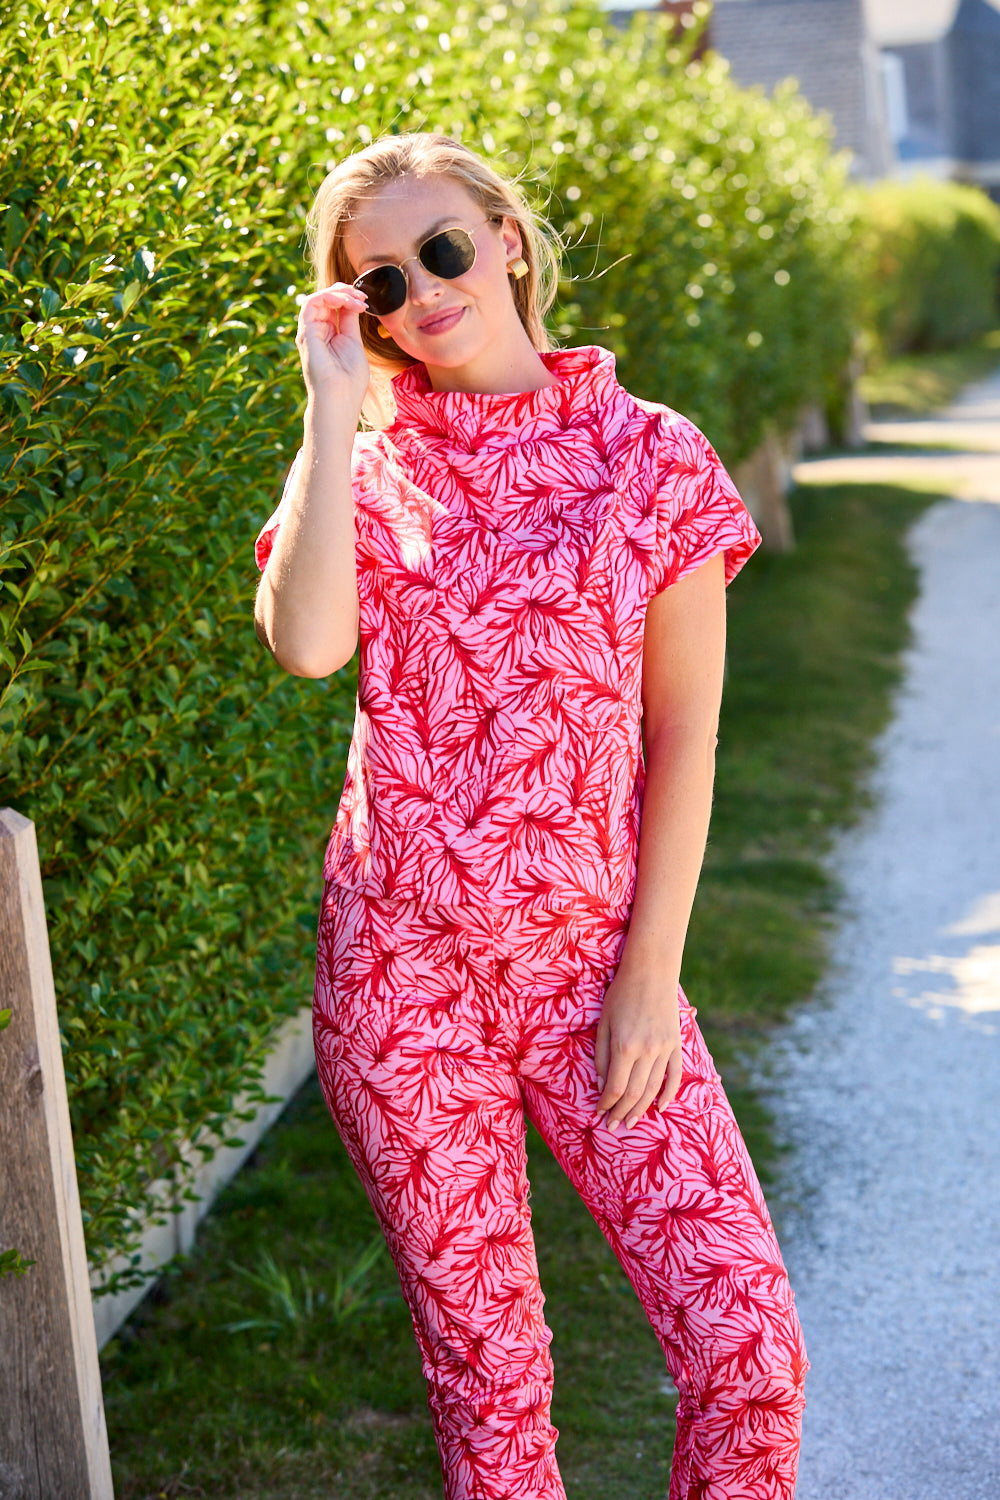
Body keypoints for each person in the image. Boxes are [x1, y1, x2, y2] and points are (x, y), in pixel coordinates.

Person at [253, 131, 807, 1500]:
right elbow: (307, 643)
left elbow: (685, 737)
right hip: (403, 984)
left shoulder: (652, 456)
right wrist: (333, 408)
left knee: (750, 1352)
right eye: (379, 283)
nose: (422, 291)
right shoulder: (369, 470)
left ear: (505, 237)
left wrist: (650, 975)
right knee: (493, 1396)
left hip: (596, 970)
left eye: (441, 247)